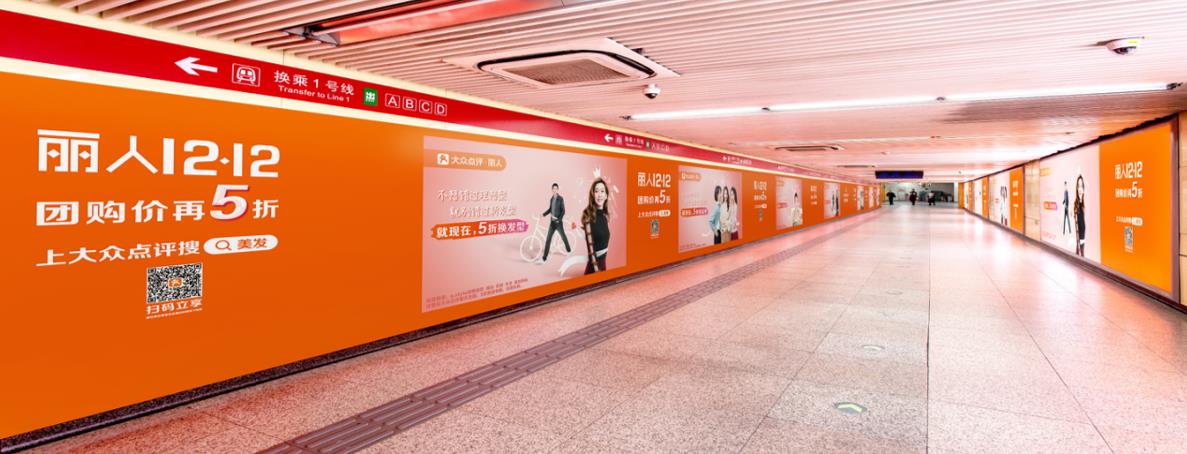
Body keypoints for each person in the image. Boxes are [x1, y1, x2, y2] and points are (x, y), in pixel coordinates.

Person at [537, 182, 570, 264]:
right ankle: (544, 259)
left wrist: (559, 219)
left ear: (558, 189)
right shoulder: (551, 199)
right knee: (548, 240)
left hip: (558, 223)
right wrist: (543, 214)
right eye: (553, 189)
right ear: (552, 190)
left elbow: (563, 211)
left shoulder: (560, 199)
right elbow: (550, 209)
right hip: (552, 223)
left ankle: (569, 250)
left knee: (563, 237)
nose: (555, 190)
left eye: (556, 188)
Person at [582, 178, 611, 274]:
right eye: (596, 191)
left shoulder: (605, 217)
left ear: (606, 195)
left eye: (602, 191)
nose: (599, 194)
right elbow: (591, 252)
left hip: (603, 266)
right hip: (594, 270)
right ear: (593, 195)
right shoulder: (588, 217)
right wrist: (597, 272)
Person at [1074, 175, 1086, 257]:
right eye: (1078, 186)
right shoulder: (1076, 201)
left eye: (1081, 186)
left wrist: (1081, 198)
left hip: (1082, 226)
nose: (1080, 188)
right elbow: (1075, 213)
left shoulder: (1084, 200)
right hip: (1078, 226)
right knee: (1078, 244)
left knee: (1081, 244)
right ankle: (1078, 257)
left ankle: (1081, 257)